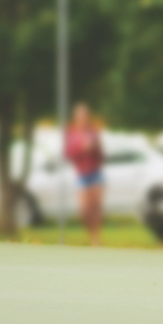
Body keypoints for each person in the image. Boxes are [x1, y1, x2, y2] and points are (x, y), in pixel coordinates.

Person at [65, 103, 105, 246]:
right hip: (81, 175)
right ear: (76, 117)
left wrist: (95, 148)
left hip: (96, 173)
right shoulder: (71, 133)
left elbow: (102, 154)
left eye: (85, 115)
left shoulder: (93, 131)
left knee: (96, 206)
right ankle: (90, 233)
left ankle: (96, 237)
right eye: (80, 116)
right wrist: (82, 148)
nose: (83, 118)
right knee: (84, 209)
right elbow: (68, 154)